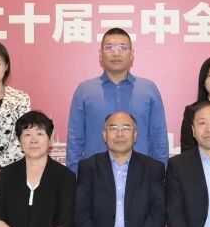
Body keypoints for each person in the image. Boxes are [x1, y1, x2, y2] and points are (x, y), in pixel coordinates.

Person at [65, 28, 169, 172]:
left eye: (122, 48)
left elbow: (159, 139)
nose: (116, 53)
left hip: (141, 176)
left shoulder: (148, 90)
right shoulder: (84, 91)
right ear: (100, 53)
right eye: (110, 48)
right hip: (95, 176)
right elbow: (75, 141)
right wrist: (75, 176)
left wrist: (159, 175)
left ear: (132, 54)